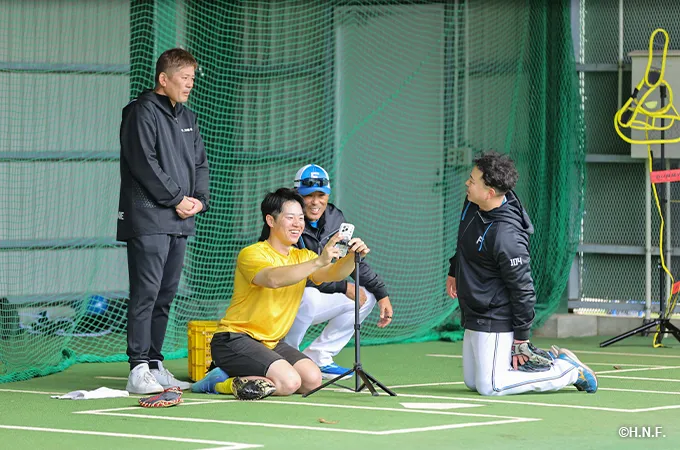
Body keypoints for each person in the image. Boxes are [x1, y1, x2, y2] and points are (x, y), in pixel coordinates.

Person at [191, 188, 371, 400]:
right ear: (271, 220)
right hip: (235, 339)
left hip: (273, 342)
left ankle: (239, 374)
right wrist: (318, 261)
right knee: (288, 383)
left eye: (301, 218)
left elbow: (332, 273)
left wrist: (352, 257)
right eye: (290, 218)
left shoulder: (303, 256)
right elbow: (273, 279)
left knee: (312, 380)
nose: (298, 224)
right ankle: (219, 382)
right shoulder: (252, 253)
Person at [446, 151, 597, 396]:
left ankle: (568, 371)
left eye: (472, 181)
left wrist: (521, 338)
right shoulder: (473, 203)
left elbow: (523, 289)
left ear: (489, 192)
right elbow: (464, 241)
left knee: (491, 386)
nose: (467, 183)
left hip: (495, 315)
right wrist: (454, 270)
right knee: (472, 382)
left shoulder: (508, 237)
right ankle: (547, 360)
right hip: (475, 308)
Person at [117, 48, 209, 394]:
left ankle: (154, 364)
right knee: (146, 293)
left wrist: (199, 200)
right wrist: (177, 199)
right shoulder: (140, 112)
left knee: (166, 294)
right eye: (184, 78)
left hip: (180, 221)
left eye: (192, 79)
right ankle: (138, 368)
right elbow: (144, 162)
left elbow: (200, 163)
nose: (190, 84)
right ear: (163, 79)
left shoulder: (188, 116)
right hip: (148, 218)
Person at [280, 164, 393, 380]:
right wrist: (342, 286)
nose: (315, 202)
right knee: (309, 296)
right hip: (284, 301)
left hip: (317, 292)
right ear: (297, 195)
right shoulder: (286, 220)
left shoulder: (334, 218)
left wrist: (381, 294)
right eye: (308, 195)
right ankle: (286, 357)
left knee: (364, 297)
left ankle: (319, 357)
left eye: (321, 195)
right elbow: (293, 275)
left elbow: (349, 259)